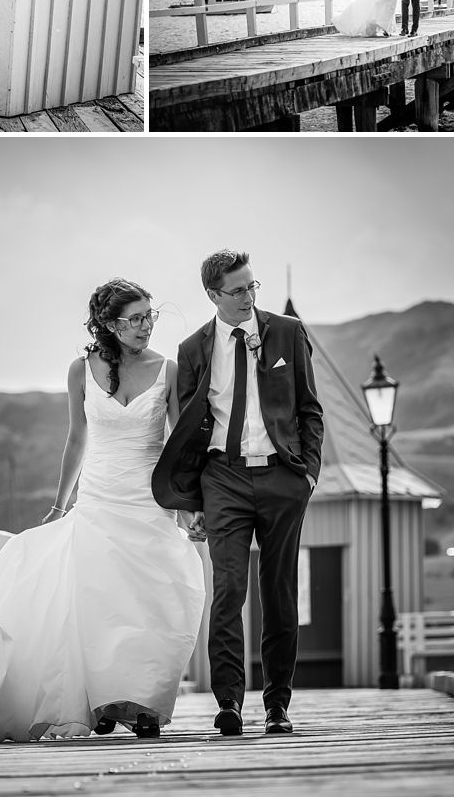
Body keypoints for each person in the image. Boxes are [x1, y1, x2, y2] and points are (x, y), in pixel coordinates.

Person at [0, 279, 206, 743]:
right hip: (100, 498)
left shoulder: (167, 369)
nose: (146, 326)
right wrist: (60, 504)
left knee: (153, 595)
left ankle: (139, 701)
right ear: (109, 324)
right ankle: (102, 698)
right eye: (135, 319)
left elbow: (177, 444)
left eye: (151, 316)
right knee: (97, 599)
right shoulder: (80, 369)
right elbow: (77, 438)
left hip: (148, 499)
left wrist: (187, 506)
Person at [152, 251, 324, 737]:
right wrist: (192, 500)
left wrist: (306, 473)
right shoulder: (193, 349)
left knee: (279, 593)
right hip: (222, 479)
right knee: (227, 593)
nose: (249, 297)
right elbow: (186, 431)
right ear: (214, 295)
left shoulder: (287, 332)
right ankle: (229, 703)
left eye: (253, 286)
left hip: (281, 478)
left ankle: (277, 706)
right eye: (238, 290)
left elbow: (310, 408)